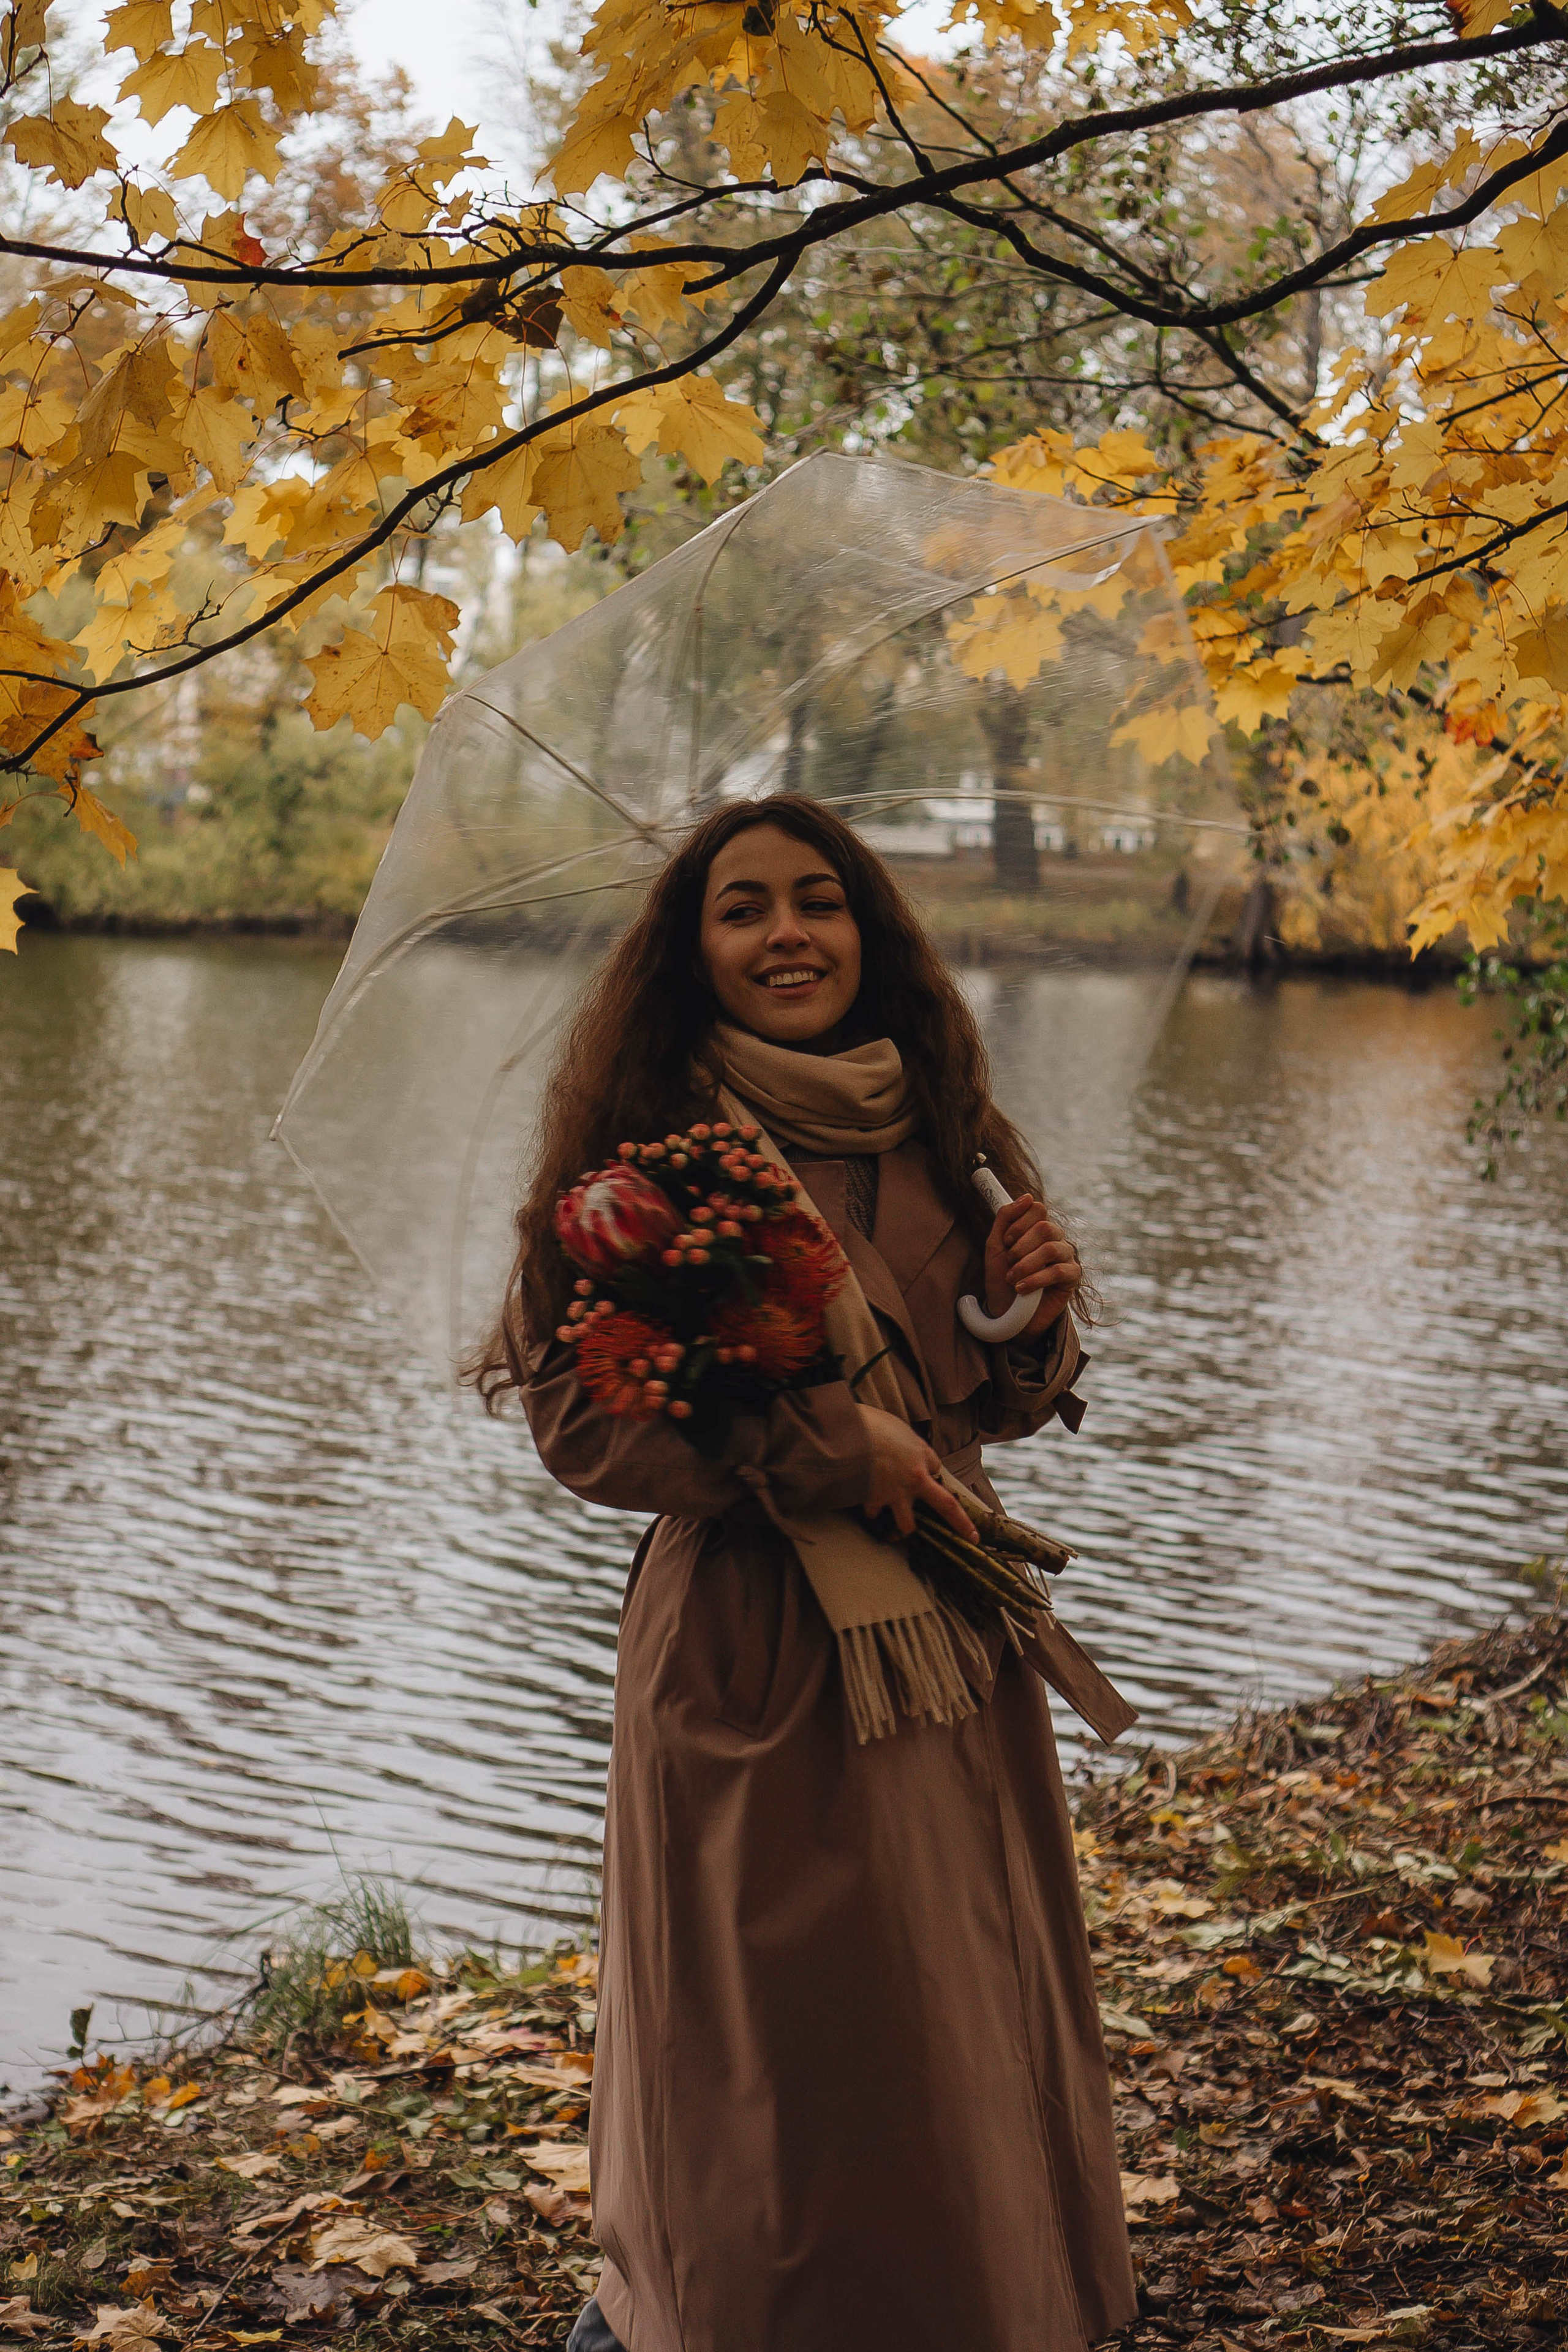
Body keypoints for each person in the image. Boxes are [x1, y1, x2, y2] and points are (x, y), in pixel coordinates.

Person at [468, 794, 1137, 2352]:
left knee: (952, 2022)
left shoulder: (943, 1128)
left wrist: (1026, 1327)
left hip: (949, 1654)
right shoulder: (644, 1157)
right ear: (691, 951)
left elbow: (985, 1406)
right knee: (772, 2053)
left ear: (866, 928)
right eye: (744, 907)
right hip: (755, 1658)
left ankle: (970, 2306)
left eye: (817, 900)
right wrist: (832, 1452)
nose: (787, 934)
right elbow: (579, 1423)